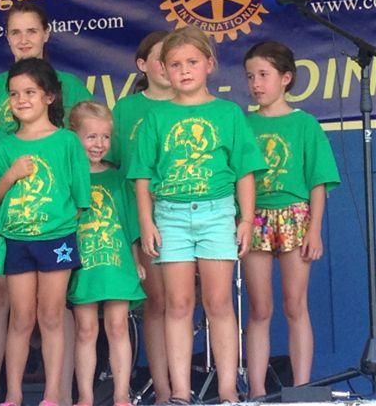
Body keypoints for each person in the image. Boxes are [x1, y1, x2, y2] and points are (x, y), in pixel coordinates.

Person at [0, 0, 91, 405]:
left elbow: (89, 139)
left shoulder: (70, 83)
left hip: (53, 218)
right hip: (2, 213)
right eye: (15, 32)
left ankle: (60, 394)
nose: (23, 39)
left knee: (57, 307)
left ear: (46, 34)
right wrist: (12, 168)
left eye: (31, 30)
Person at [128, 25, 266, 403]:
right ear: (162, 70)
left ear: (209, 64)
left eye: (192, 62)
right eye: (175, 64)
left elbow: (244, 171)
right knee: (178, 303)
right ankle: (180, 391)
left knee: (218, 302)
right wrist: (146, 221)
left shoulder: (228, 113)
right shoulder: (157, 117)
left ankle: (227, 389)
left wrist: (245, 219)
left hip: (217, 213)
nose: (184, 70)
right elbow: (142, 175)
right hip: (170, 215)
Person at [242, 41, 340, 399]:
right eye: (250, 76)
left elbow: (318, 181)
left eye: (263, 75)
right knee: (259, 307)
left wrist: (315, 229)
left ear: (286, 78)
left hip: (295, 215)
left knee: (295, 304)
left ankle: (301, 388)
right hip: (254, 217)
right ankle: (256, 390)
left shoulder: (305, 124)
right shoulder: (243, 124)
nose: (256, 84)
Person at [107, 31, 174, 404]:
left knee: (186, 303)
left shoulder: (190, 103)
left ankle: (184, 385)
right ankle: (164, 390)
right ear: (142, 65)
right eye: (160, 58)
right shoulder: (126, 109)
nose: (166, 66)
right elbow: (112, 166)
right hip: (140, 218)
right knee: (157, 302)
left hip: (184, 212)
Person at [67, 101, 146, 406]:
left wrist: (136, 260)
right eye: (91, 136)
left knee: (117, 326)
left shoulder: (116, 179)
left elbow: (128, 223)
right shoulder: (68, 178)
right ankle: (85, 398)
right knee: (86, 330)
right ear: (74, 135)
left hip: (116, 264)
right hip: (83, 265)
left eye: (105, 137)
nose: (99, 144)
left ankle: (121, 396)